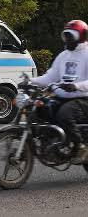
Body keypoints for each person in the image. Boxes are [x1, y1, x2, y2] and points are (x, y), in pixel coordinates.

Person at [29, 20, 88, 164]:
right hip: (62, 97)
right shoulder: (63, 56)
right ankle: (52, 146)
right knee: (38, 109)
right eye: (66, 36)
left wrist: (76, 86)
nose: (67, 39)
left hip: (83, 100)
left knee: (64, 114)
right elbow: (50, 77)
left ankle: (80, 147)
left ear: (81, 36)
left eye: (71, 36)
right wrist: (31, 81)